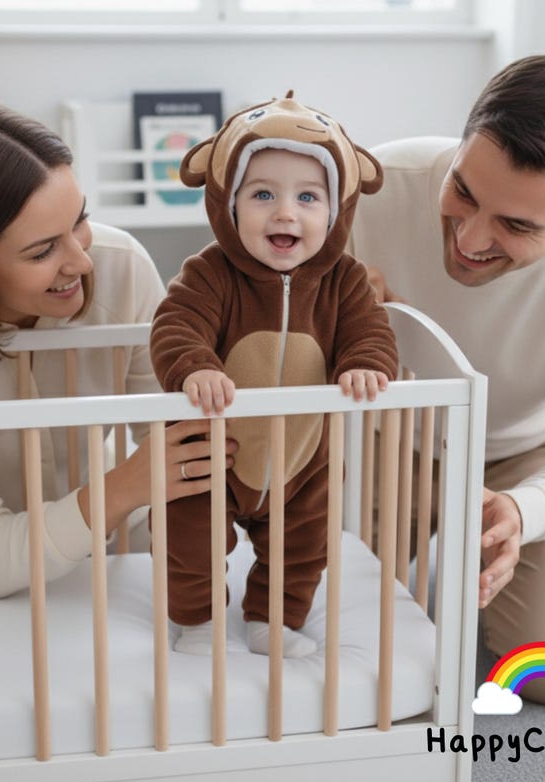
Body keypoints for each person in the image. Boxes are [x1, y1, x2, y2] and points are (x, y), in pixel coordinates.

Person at [347, 53, 545, 703]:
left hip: (524, 456)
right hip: (391, 434)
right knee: (310, 612)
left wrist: (525, 510)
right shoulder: (374, 187)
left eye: (516, 225)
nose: (468, 237)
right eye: (464, 191)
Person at [0, 101, 236, 598]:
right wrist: (128, 486)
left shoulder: (121, 269)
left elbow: (179, 432)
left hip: (105, 544)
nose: (82, 261)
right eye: (42, 251)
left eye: (80, 220)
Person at [150, 92, 399, 657]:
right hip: (212, 451)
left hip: (302, 457)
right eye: (263, 194)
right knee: (188, 538)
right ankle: (196, 620)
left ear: (336, 212)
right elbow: (175, 325)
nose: (286, 212)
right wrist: (195, 368)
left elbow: (372, 332)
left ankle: (273, 620)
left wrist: (365, 363)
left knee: (305, 544)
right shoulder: (209, 272)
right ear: (228, 203)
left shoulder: (346, 280)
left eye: (309, 197)